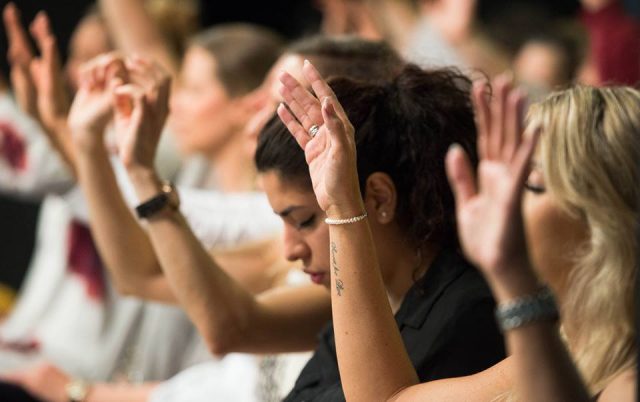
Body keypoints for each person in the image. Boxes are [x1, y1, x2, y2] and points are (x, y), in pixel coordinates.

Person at [295, 63, 638, 400]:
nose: (503, 200)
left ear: (602, 217)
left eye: (530, 184)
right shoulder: (572, 342)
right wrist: (342, 205)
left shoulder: (626, 378)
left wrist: (514, 278)